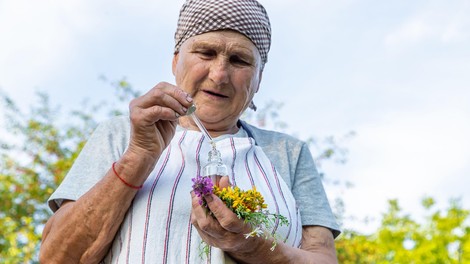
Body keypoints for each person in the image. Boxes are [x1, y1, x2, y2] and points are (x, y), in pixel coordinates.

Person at [39, 0, 341, 263]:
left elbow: (322, 258)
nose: (220, 74)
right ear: (175, 61)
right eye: (206, 53)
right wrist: (138, 158)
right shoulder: (120, 135)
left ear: (259, 78)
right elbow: (57, 258)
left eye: (239, 60)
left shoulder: (289, 153)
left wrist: (248, 245)